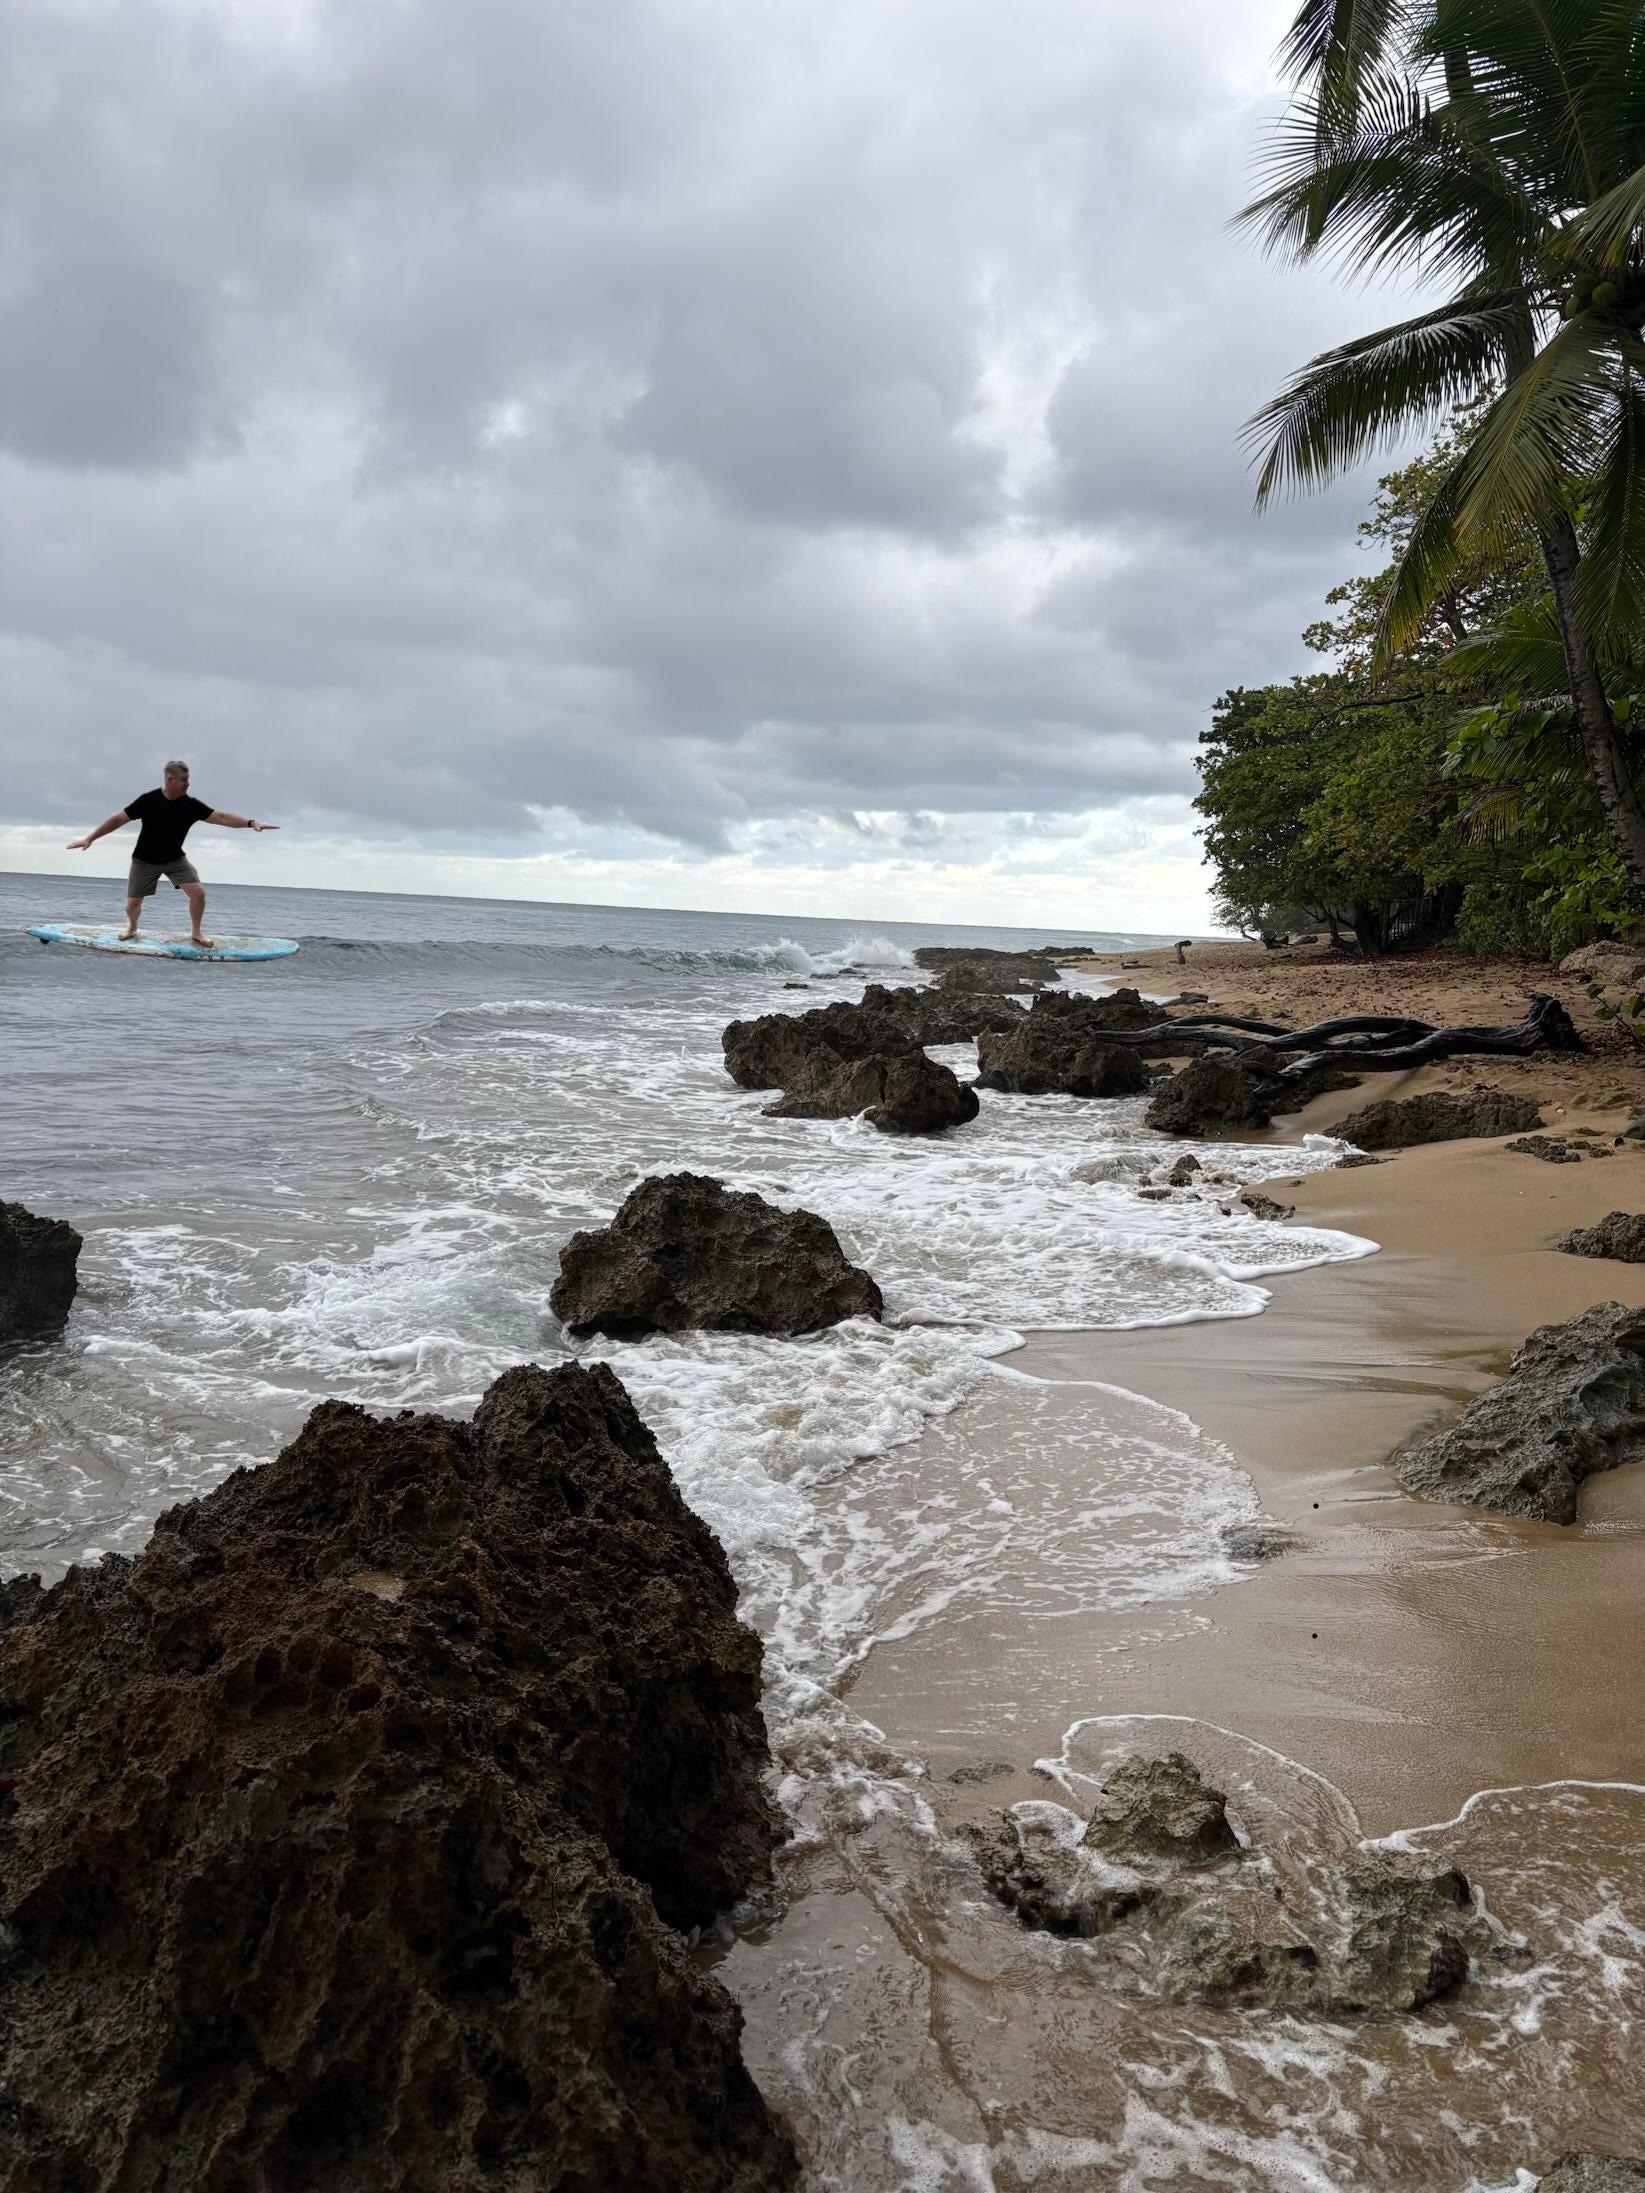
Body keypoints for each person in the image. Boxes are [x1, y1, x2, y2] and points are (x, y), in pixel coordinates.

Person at [67, 761, 279, 948]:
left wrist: (252, 823)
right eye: (184, 780)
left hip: (175, 860)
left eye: (188, 780)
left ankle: (196, 933)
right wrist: (91, 838)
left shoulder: (191, 805)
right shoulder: (148, 800)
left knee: (198, 893)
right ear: (170, 779)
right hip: (144, 860)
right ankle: (132, 927)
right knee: (133, 905)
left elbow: (222, 817)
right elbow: (118, 819)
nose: (188, 784)